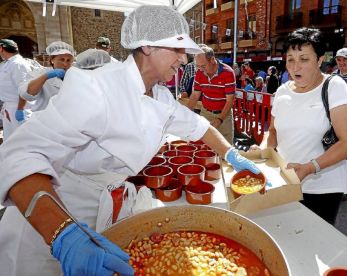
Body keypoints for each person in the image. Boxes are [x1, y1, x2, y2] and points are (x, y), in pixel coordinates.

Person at [0, 6, 261, 276]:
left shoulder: (160, 97)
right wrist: (64, 235)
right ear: (147, 46)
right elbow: (21, 154)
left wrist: (231, 154)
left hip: (102, 205)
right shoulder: (97, 87)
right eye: (178, 50)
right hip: (53, 210)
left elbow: (199, 126)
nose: (184, 60)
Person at [249, 27, 347, 225]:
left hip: (322, 189)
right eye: (290, 59)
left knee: (315, 245)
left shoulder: (335, 87)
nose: (295, 67)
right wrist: (263, 148)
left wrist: (309, 168)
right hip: (284, 182)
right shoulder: (282, 91)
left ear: (319, 60)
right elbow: (273, 131)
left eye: (304, 59)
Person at [187, 46, 236, 145]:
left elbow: (230, 100)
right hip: (206, 113)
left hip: (224, 115)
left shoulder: (228, 73)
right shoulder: (200, 73)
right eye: (197, 66)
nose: (200, 69)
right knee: (204, 147)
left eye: (203, 66)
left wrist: (220, 119)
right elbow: (195, 95)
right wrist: (186, 114)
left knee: (226, 147)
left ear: (212, 60)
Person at [18, 41, 74, 116]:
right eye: (61, 59)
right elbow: (28, 93)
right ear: (52, 60)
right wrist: (46, 76)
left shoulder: (74, 75)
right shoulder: (39, 73)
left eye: (68, 60)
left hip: (70, 116)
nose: (65, 64)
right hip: (47, 117)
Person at [0, 39, 32, 141]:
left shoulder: (18, 64)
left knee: (20, 141)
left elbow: (24, 88)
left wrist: (20, 109)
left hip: (17, 106)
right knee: (11, 140)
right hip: (10, 106)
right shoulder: (9, 63)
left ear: (1, 49)